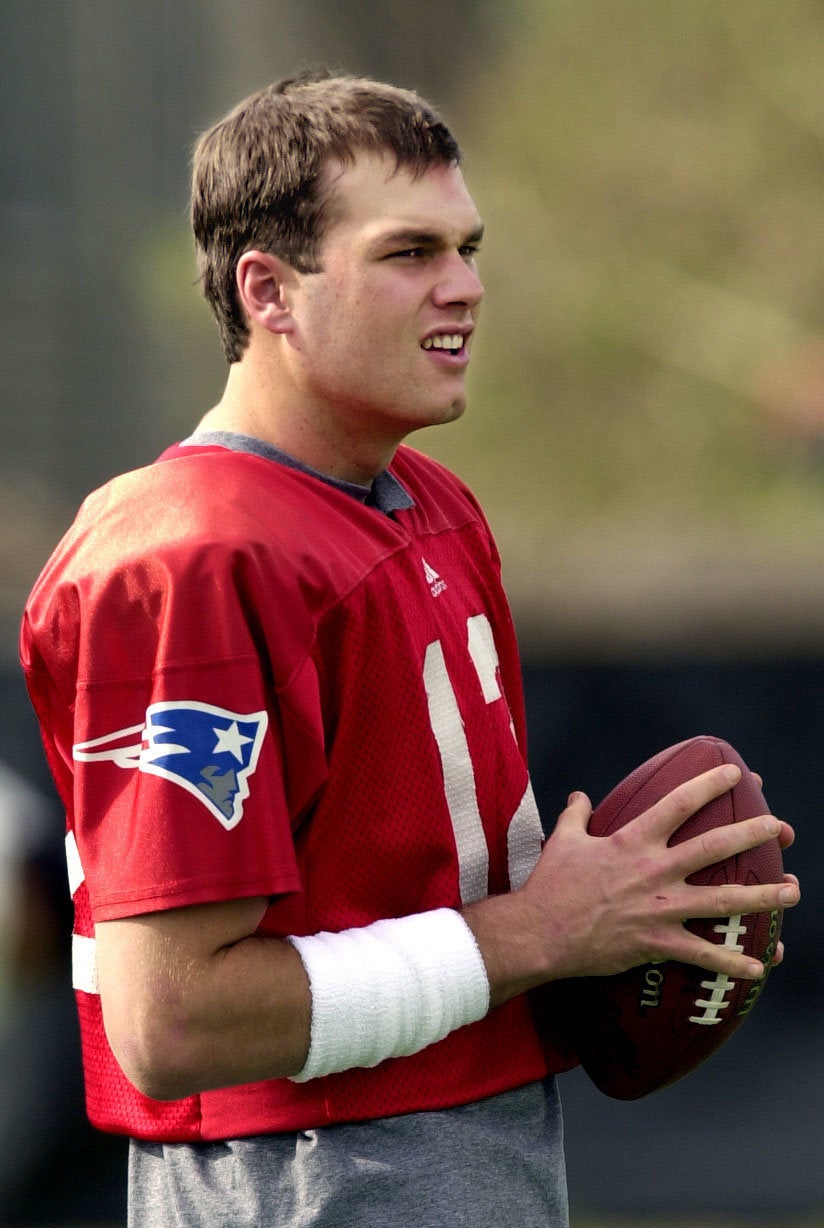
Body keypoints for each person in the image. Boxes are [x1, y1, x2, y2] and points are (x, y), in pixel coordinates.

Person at [20, 72, 799, 1228]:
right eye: (409, 252)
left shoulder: (425, 501)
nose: (466, 287)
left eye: (468, 246)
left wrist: (611, 909)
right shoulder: (190, 557)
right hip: (310, 1182)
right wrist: (533, 932)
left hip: (474, 1154)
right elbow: (172, 1020)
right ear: (268, 290)